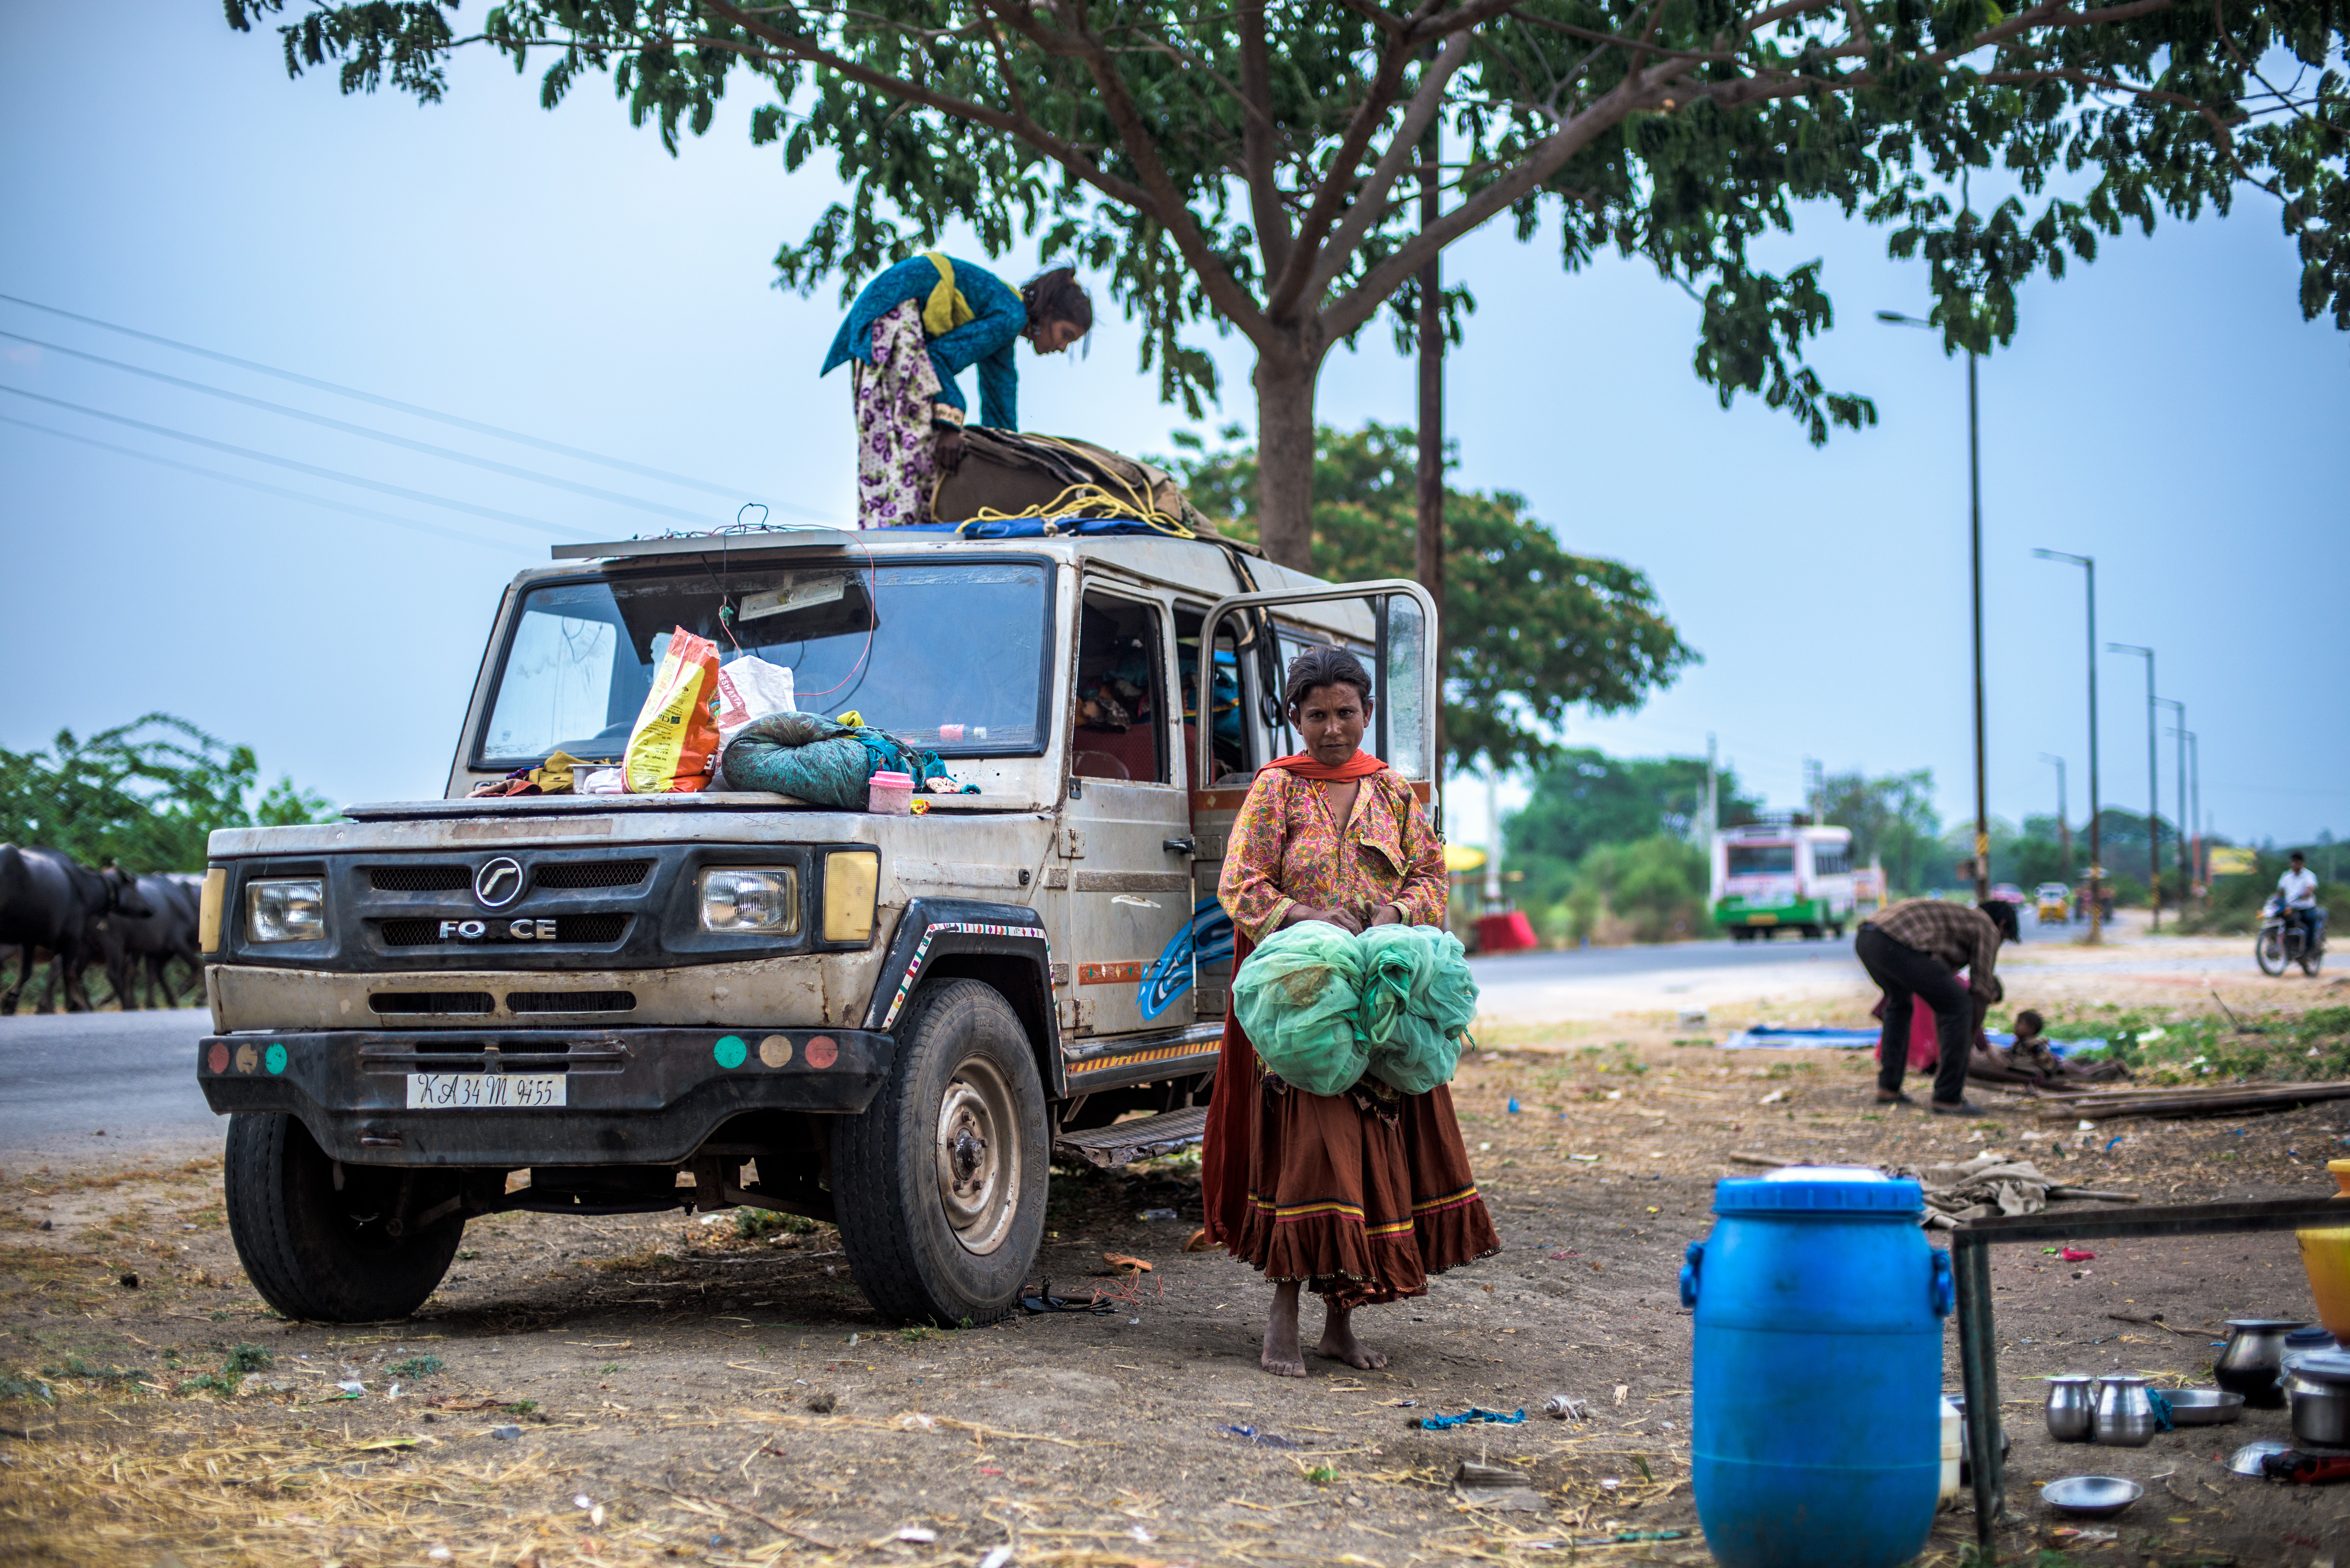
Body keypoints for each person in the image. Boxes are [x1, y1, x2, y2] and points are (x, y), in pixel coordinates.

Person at [1199, 646, 1500, 1378]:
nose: (1331, 728)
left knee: (1367, 1149)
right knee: (1309, 1149)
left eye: (1344, 713)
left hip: (1382, 1003)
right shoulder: (1275, 789)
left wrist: (1392, 909)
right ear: (1293, 718)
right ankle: (1281, 1318)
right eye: (1315, 715)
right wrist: (1305, 914)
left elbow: (1430, 875)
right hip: (1303, 1003)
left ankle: (1339, 1323)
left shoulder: (1393, 791)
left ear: (1366, 713)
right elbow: (1237, 884)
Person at [820, 256, 1092, 528]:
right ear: (1048, 313)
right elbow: (938, 358)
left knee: (910, 452)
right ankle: (895, 538)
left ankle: (900, 532)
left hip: (892, 313)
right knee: (908, 448)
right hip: (895, 315)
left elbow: (1001, 399)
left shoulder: (1008, 319)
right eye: (1065, 334)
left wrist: (1010, 460)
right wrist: (951, 426)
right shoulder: (1011, 316)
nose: (1062, 347)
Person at [1856, 895, 2020, 1115]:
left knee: (1900, 1004)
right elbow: (1981, 991)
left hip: (1868, 938)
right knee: (1962, 1005)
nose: (1999, 944)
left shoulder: (1957, 924)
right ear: (2002, 926)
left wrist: (1954, 1047)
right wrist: (1968, 1044)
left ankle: (1889, 1087)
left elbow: (1940, 998)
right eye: (2005, 938)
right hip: (1892, 940)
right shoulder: (1986, 926)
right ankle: (1948, 1097)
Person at [2280, 851, 2326, 949]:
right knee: (2282, 921)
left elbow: (2310, 889)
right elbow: (2280, 892)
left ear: (2302, 863)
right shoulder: (2286, 876)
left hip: (2306, 907)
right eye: (2292, 862)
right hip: (2291, 908)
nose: (2293, 864)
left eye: (2296, 862)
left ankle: (2309, 948)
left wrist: (2305, 894)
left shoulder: (2309, 875)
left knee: (2310, 921)